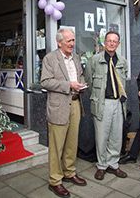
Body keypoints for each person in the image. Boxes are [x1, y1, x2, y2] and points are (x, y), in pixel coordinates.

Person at [41, 28, 87, 198]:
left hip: (75, 104)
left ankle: (69, 172)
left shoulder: (76, 57)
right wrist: (69, 85)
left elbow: (79, 76)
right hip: (58, 106)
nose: (72, 44)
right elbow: (45, 82)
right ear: (59, 42)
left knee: (71, 143)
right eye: (69, 41)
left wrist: (81, 84)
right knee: (56, 146)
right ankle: (55, 181)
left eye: (73, 40)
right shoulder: (50, 58)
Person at [85, 31, 128, 180]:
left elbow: (124, 82)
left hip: (118, 103)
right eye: (109, 40)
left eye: (114, 41)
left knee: (116, 136)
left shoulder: (122, 61)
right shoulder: (94, 60)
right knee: (102, 136)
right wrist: (98, 97)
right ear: (105, 42)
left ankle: (113, 164)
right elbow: (89, 81)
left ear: (118, 44)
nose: (111, 43)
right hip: (102, 103)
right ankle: (102, 166)